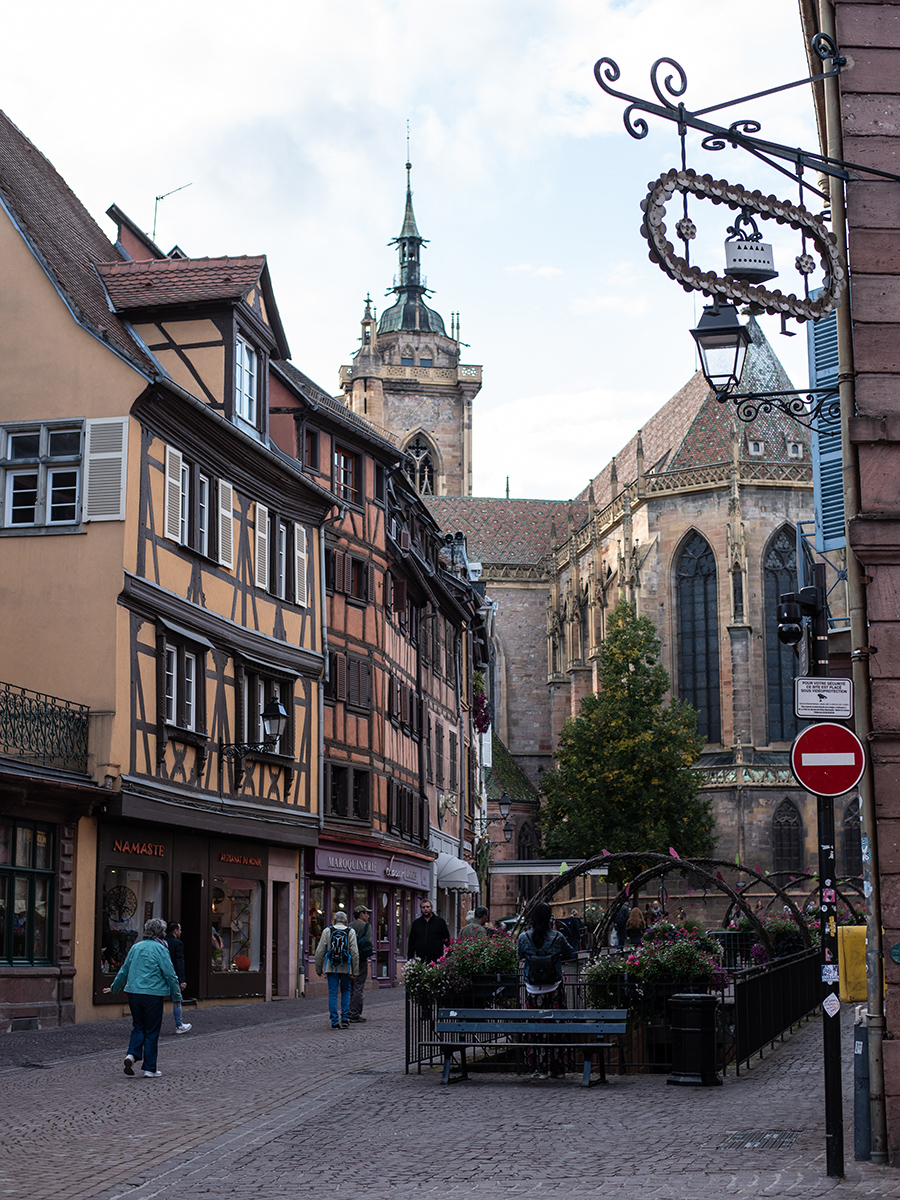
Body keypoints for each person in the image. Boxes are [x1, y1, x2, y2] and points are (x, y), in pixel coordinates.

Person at [102, 917, 182, 1078]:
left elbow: (124, 970)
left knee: (138, 1026)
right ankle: (150, 1068)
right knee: (152, 1030)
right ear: (160, 933)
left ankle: (131, 1054)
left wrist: (114, 988)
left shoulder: (136, 947)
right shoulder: (161, 949)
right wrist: (177, 995)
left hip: (134, 993)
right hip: (153, 994)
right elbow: (170, 974)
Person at [517, 902, 574, 1079]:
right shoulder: (557, 937)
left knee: (535, 1030)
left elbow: (520, 955)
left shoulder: (524, 937)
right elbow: (570, 952)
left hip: (533, 989)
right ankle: (558, 1068)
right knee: (556, 1030)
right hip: (554, 988)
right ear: (550, 917)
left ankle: (538, 1068)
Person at [315, 910, 359, 1028]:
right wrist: (355, 970)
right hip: (346, 967)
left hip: (331, 967)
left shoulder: (327, 931)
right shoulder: (350, 932)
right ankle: (345, 1019)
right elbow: (354, 952)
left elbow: (319, 951)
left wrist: (318, 969)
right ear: (346, 921)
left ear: (334, 920)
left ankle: (334, 1021)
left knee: (332, 994)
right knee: (346, 991)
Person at [165, 921, 192, 1034]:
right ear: (175, 931)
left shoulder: (162, 942)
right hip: (173, 975)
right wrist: (182, 980)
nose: (180, 932)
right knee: (177, 999)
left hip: (161, 974)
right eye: (179, 930)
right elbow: (180, 962)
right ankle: (179, 1025)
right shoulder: (177, 944)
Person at [348, 905, 373, 1023]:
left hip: (349, 960)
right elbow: (369, 943)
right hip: (361, 960)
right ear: (361, 914)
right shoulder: (366, 926)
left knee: (349, 987)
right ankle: (355, 1013)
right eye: (366, 913)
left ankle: (347, 1011)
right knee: (358, 986)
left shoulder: (349, 926)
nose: (368, 916)